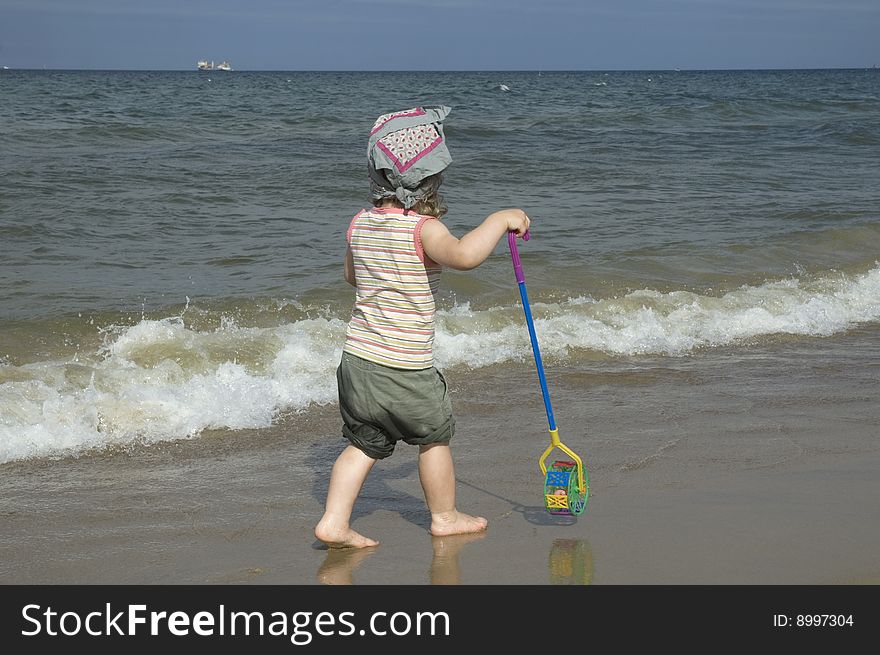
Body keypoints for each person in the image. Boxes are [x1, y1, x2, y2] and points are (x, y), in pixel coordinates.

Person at [314, 106, 530, 548]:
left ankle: (334, 521)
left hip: (358, 363)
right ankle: (445, 516)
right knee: (433, 438)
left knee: (364, 443)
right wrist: (499, 219)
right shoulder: (424, 229)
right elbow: (466, 256)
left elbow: (352, 277)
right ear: (431, 179)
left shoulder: (359, 223)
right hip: (406, 367)